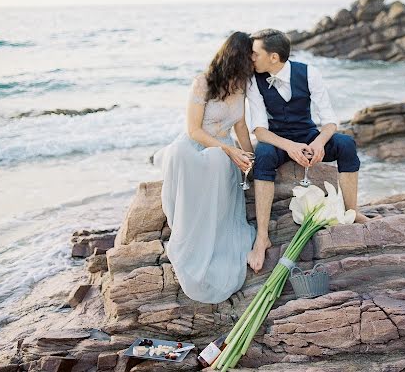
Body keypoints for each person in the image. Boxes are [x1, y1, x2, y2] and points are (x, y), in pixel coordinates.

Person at [245, 28, 369, 272]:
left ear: (273, 57)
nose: (251, 59)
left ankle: (353, 211)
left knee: (346, 144)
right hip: (278, 139)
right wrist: (290, 147)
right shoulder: (253, 80)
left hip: (309, 135)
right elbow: (259, 130)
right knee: (263, 155)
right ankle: (262, 236)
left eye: (254, 54)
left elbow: (330, 121)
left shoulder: (309, 73)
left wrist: (318, 143)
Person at [151, 32, 257, 303]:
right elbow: (193, 130)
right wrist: (230, 149)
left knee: (220, 162)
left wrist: (250, 157)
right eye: (250, 56)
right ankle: (190, 238)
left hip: (223, 152)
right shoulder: (203, 83)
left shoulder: (242, 85)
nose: (254, 61)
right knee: (200, 156)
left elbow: (241, 126)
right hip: (196, 147)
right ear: (237, 58)